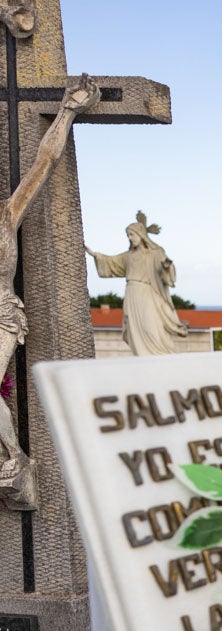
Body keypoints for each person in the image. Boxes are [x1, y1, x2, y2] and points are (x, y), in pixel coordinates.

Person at [0, 75, 99, 509]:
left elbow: (45, 159)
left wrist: (68, 111)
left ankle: (14, 461)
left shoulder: (7, 213)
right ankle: (12, 462)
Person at [85, 212, 187, 356]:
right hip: (131, 293)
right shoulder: (129, 256)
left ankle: (161, 354)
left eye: (132, 235)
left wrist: (166, 266)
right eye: (128, 236)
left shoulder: (153, 254)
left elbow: (165, 264)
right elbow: (112, 262)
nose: (130, 238)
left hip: (147, 294)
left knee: (150, 326)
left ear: (141, 235)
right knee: (134, 328)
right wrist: (96, 255)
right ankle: (142, 355)